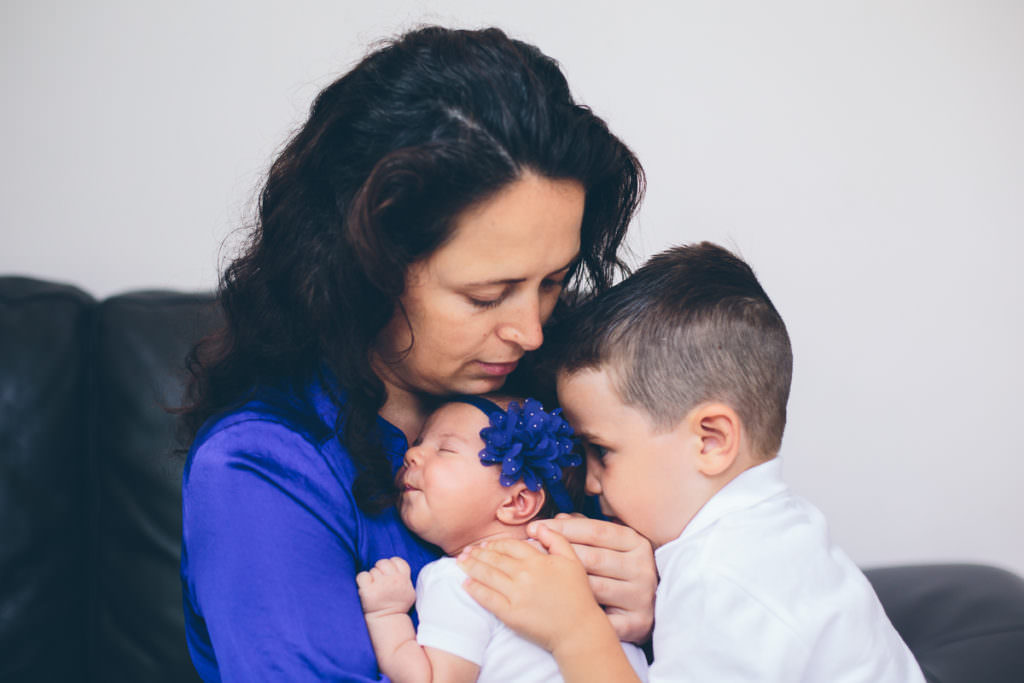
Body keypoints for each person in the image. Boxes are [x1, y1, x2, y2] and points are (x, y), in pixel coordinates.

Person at [178, 25, 655, 682]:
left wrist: (656, 593)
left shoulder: (559, 400)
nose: (532, 331)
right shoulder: (264, 470)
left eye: (552, 282)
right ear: (370, 266)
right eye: (489, 294)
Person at [458, 243, 927, 682]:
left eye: (601, 451)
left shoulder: (722, 584)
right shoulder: (782, 530)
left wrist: (575, 630)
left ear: (711, 440)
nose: (593, 484)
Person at [356, 395, 649, 682]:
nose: (411, 454)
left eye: (445, 449)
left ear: (517, 503)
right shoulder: (589, 569)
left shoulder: (465, 578)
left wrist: (387, 617)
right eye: (419, 441)